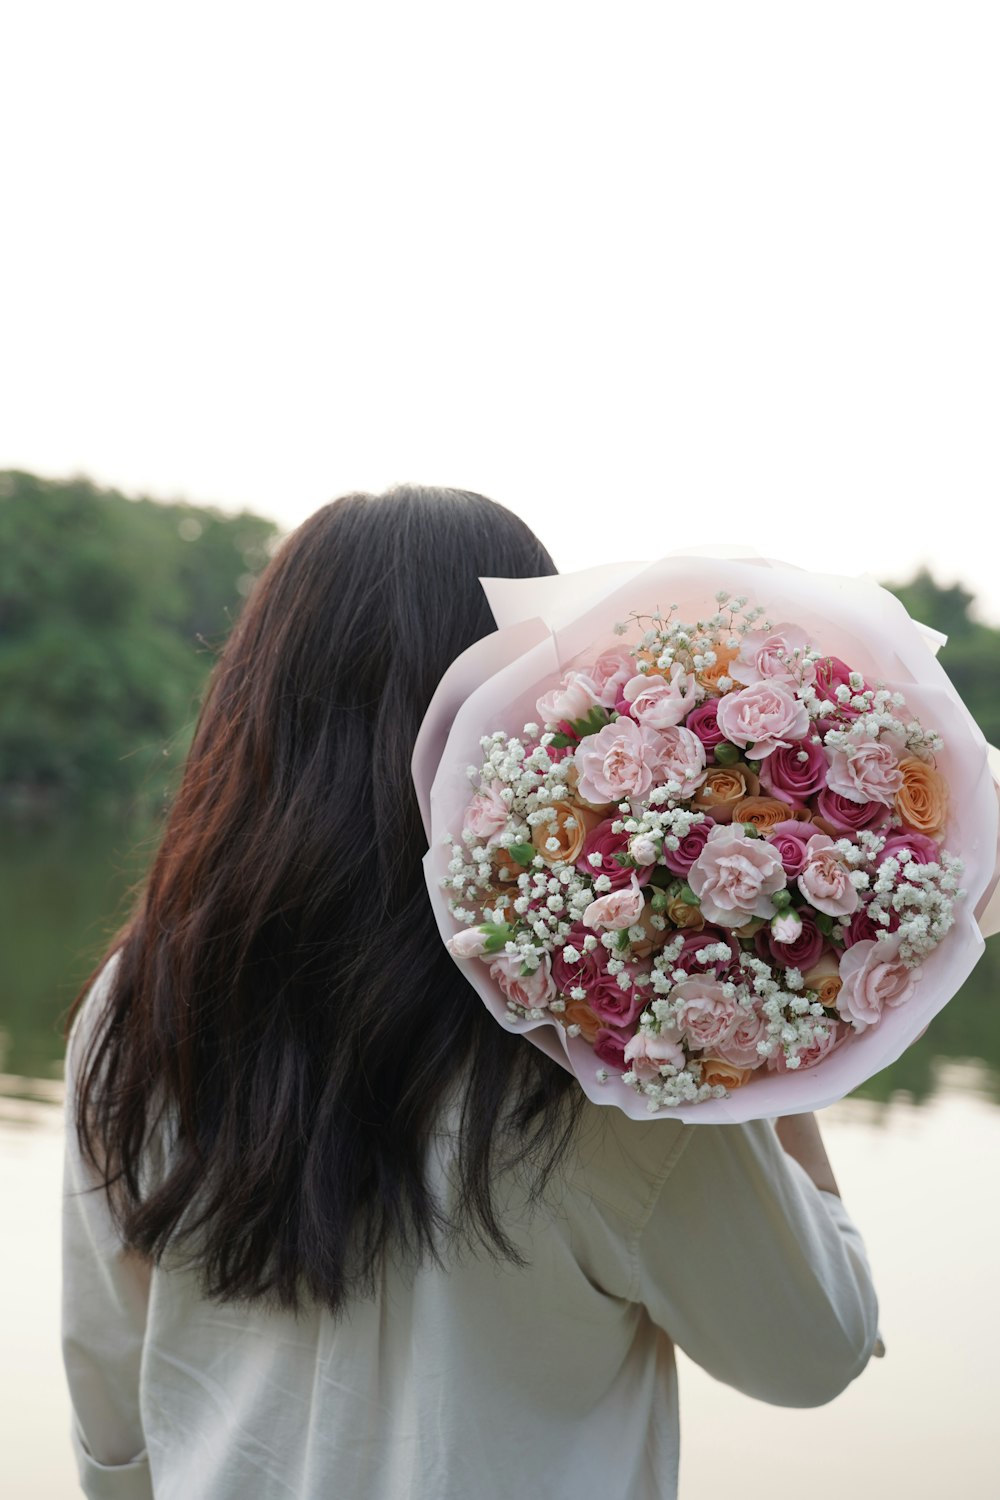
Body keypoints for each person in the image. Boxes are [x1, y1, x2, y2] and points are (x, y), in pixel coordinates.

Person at [62, 486, 880, 1500]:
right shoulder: (594, 1052)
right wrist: (766, 1029)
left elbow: (112, 1414)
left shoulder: (141, 1003)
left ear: (254, 698)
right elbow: (814, 1350)